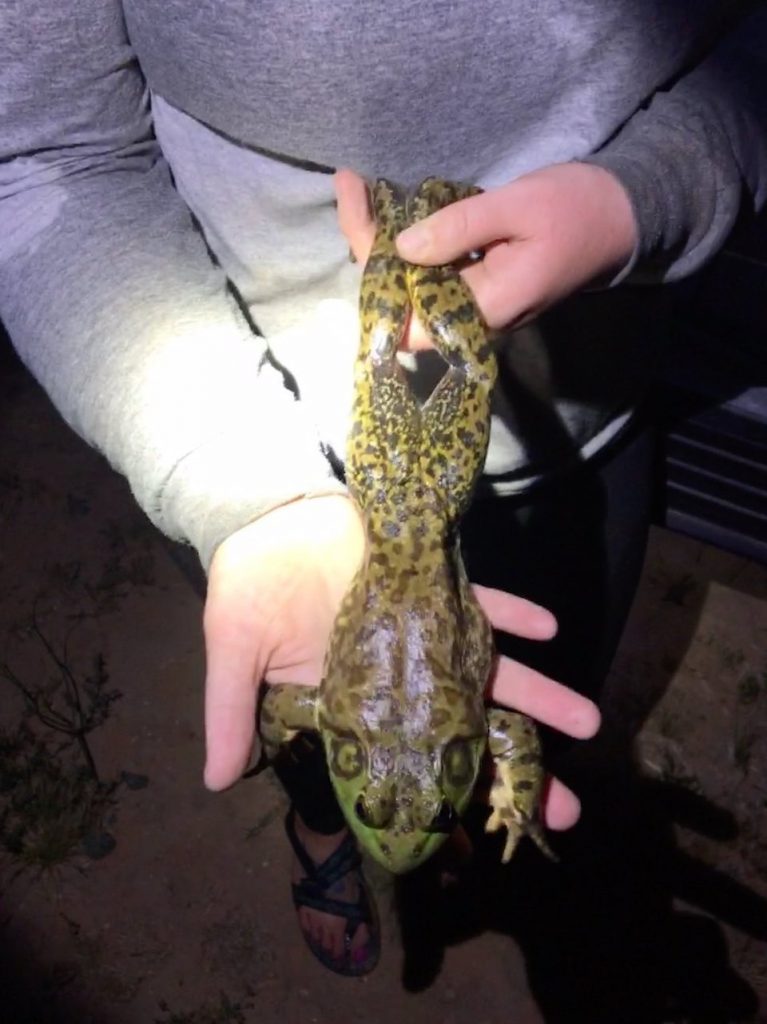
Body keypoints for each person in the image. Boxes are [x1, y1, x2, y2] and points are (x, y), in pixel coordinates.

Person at [1, 0, 765, 978]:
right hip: (293, 451)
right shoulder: (421, 707)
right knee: (286, 672)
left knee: (541, 669)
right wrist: (252, 496)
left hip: (579, 413)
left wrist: (650, 192)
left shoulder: (405, 710)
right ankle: (323, 819)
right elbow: (40, 151)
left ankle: (371, 816)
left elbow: (498, 733)